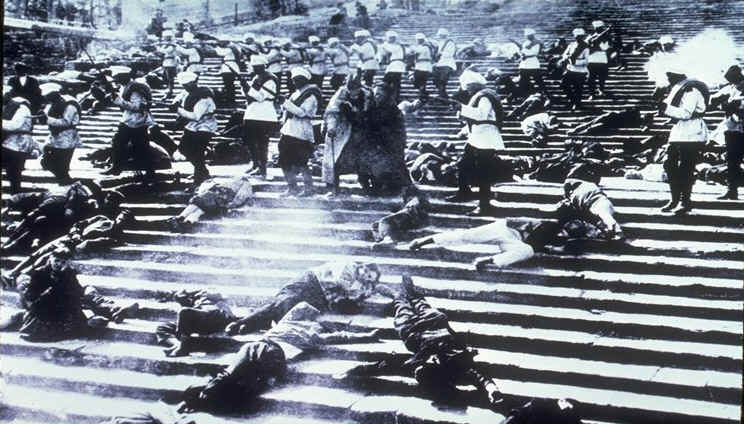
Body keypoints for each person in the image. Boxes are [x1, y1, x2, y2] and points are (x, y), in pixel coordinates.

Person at [337, 276, 503, 408]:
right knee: (421, 306)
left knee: (403, 307)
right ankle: (411, 293)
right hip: (434, 324)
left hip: (412, 330)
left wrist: (353, 370)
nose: (432, 360)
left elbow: (385, 366)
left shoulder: (418, 363)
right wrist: (492, 391)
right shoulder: (457, 364)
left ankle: (399, 296)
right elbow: (481, 378)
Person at [225, 261, 381, 335]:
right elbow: (340, 283)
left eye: (369, 278)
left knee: (292, 311)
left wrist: (361, 293)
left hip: (318, 294)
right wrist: (359, 291)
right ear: (363, 266)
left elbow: (341, 295)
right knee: (284, 302)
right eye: (367, 273)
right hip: (309, 282)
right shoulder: (349, 266)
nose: (365, 277)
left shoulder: (356, 282)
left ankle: (252, 324)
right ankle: (241, 322)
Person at [446, 70, 505, 215]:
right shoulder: (479, 96)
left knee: (483, 171)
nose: (467, 90)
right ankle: (464, 192)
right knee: (463, 164)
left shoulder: (485, 96)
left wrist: (462, 108)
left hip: (486, 136)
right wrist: (461, 112)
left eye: (469, 86)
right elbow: (472, 117)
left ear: (475, 85)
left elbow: (482, 115)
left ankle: (484, 205)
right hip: (477, 136)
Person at [409, 218, 561, 270]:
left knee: (527, 251)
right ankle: (425, 240)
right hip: (507, 230)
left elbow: (539, 247)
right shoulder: (551, 223)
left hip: (515, 242)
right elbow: (517, 222)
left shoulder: (564, 237)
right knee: (468, 236)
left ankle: (488, 260)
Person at [659, 68, 710, 215]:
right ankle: (674, 199)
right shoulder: (679, 89)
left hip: (691, 133)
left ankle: (685, 201)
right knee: (669, 164)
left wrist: (665, 108)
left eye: (670, 76)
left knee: (686, 168)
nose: (668, 79)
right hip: (679, 133)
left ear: (678, 76)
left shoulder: (691, 90)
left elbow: (686, 113)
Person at [14, 248, 88, 342]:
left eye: (63, 262)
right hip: (44, 306)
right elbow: (31, 295)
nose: (59, 264)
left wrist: (63, 276)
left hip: (63, 306)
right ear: (50, 258)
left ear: (67, 262)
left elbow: (77, 292)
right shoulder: (39, 272)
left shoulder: (69, 272)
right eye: (56, 260)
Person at [322, 71, 374, 195]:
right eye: (351, 89)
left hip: (361, 131)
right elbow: (332, 113)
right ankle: (333, 187)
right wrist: (331, 127)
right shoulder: (340, 94)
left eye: (356, 89)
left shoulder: (367, 95)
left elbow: (371, 112)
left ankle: (367, 186)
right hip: (343, 130)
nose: (353, 92)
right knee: (335, 160)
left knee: (363, 160)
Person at [357, 80, 412, 195]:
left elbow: (396, 133)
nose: (376, 97)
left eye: (379, 95)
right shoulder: (371, 108)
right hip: (374, 145)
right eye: (374, 94)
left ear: (386, 96)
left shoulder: (393, 111)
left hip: (389, 146)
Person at [102, 66, 156, 179]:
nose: (116, 80)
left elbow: (137, 107)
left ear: (124, 77)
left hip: (137, 121)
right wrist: (115, 97)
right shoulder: (126, 87)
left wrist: (119, 102)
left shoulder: (135, 89)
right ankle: (116, 167)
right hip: (129, 120)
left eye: (118, 78)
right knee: (118, 142)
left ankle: (149, 171)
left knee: (141, 147)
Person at [278, 67, 321, 197]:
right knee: (283, 160)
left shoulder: (311, 95)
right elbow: (287, 110)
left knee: (301, 162)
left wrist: (286, 103)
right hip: (289, 129)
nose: (295, 82)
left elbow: (303, 113)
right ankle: (292, 187)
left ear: (305, 80)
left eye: (298, 80)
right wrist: (283, 105)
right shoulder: (295, 93)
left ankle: (309, 189)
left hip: (302, 131)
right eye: (293, 80)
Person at [156, 289, 236, 357]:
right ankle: (178, 344)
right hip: (199, 322)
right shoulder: (192, 304)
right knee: (162, 327)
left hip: (214, 319)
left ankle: (183, 347)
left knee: (184, 311)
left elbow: (221, 297)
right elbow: (186, 312)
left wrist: (198, 293)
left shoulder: (210, 295)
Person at [172, 71, 217, 185]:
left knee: (197, 152)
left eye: (187, 85)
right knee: (183, 148)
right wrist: (175, 102)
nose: (185, 87)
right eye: (183, 85)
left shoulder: (204, 97)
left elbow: (196, 116)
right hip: (192, 126)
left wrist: (178, 109)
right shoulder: (188, 92)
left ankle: (199, 177)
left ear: (194, 83)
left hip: (205, 126)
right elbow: (179, 96)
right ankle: (202, 171)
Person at [166, 175, 253, 230]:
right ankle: (187, 222)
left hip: (216, 196)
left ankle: (181, 218)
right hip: (218, 198)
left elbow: (241, 196)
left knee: (199, 203)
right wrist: (231, 204)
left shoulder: (242, 184)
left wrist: (231, 204)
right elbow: (241, 196)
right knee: (201, 208)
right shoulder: (242, 183)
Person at [241, 55, 280, 178]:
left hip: (264, 113)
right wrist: (244, 86)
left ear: (264, 66)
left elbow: (260, 97)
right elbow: (248, 94)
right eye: (254, 67)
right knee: (249, 140)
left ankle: (262, 168)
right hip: (252, 112)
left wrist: (247, 87)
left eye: (258, 66)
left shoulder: (270, 79)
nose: (255, 69)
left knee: (262, 142)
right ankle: (255, 164)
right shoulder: (256, 78)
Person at [709, 64, 744, 200]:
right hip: (733, 129)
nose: (731, 81)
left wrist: (736, 105)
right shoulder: (730, 88)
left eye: (733, 78)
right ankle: (731, 190)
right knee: (732, 160)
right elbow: (713, 100)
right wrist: (720, 102)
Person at [38, 83, 82, 185]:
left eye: (48, 96)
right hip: (55, 137)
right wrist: (41, 118)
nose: (46, 98)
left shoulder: (69, 105)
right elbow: (48, 118)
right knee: (46, 162)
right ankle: (65, 181)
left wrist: (48, 119)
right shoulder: (52, 104)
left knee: (62, 165)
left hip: (67, 137)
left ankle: (67, 183)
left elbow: (66, 122)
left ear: (55, 94)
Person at [555, 178, 624, 240]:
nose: (564, 202)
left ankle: (617, 232)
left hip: (599, 203)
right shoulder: (580, 194)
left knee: (605, 217)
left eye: (563, 202)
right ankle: (614, 232)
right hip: (597, 205)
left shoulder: (578, 193)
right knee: (604, 219)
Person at [2, 91, 39, 194]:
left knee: (14, 172)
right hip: (10, 142)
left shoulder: (21, 108)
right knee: (12, 171)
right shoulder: (8, 107)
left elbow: (15, 125)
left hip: (19, 142)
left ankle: (17, 194)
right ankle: (16, 193)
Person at [560, 28, 589, 110]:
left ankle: (577, 104)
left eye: (580, 36)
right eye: (577, 36)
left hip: (580, 71)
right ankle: (573, 100)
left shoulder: (585, 46)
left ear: (582, 37)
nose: (578, 38)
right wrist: (567, 57)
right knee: (564, 84)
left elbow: (587, 60)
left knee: (578, 88)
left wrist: (575, 62)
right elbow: (564, 54)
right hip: (570, 69)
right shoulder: (571, 45)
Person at [517, 28, 549, 98]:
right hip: (524, 64)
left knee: (539, 81)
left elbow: (535, 53)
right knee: (523, 81)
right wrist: (521, 54)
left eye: (530, 35)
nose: (528, 36)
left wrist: (525, 55)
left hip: (533, 64)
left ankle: (546, 95)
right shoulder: (525, 43)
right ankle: (524, 95)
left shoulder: (536, 42)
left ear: (532, 35)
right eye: (527, 35)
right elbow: (522, 51)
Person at [378, 31, 406, 102]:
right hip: (393, 66)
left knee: (390, 82)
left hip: (396, 66)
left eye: (392, 38)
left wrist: (383, 46)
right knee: (391, 82)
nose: (390, 39)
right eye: (390, 38)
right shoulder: (394, 45)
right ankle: (390, 97)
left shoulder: (398, 46)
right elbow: (384, 54)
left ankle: (394, 98)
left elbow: (389, 51)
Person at [586, 20, 611, 99]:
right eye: (597, 28)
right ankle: (591, 93)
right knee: (590, 78)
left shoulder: (606, 37)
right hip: (592, 59)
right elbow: (586, 46)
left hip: (602, 59)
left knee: (602, 77)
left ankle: (601, 90)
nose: (599, 29)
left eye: (600, 28)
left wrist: (600, 42)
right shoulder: (590, 37)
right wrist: (593, 43)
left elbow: (605, 48)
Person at [214, 38, 241, 105]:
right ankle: (230, 99)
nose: (221, 43)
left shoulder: (230, 48)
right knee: (229, 85)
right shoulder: (233, 47)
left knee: (229, 85)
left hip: (229, 69)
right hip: (228, 68)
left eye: (222, 42)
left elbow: (220, 53)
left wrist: (216, 47)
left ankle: (231, 100)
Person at [433, 28, 457, 99]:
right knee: (435, 80)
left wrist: (441, 53)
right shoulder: (440, 42)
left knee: (442, 80)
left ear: (445, 35)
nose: (440, 36)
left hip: (447, 63)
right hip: (440, 63)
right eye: (440, 35)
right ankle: (443, 94)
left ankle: (442, 95)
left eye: (441, 35)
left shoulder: (450, 43)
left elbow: (450, 54)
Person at [410, 33, 434, 103]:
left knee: (421, 82)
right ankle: (424, 94)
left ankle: (422, 96)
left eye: (420, 40)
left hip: (424, 67)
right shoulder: (421, 46)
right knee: (419, 82)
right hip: (419, 66)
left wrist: (412, 47)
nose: (418, 41)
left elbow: (418, 51)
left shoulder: (426, 47)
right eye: (418, 40)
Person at [157, 30, 179, 97]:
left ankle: (170, 91)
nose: (165, 38)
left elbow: (166, 51)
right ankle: (168, 90)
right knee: (165, 77)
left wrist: (158, 48)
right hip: (166, 63)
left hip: (171, 63)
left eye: (166, 37)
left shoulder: (172, 45)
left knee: (170, 78)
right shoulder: (165, 45)